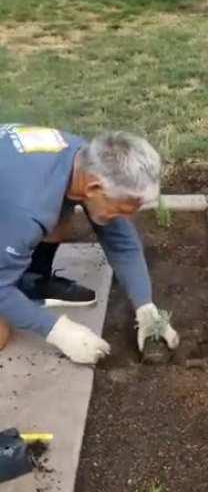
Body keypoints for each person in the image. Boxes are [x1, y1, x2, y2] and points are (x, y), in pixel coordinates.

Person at [0, 124, 179, 364]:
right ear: (94, 188)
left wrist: (145, 307)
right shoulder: (28, 210)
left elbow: (123, 244)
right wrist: (59, 331)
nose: (126, 221)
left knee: (58, 221)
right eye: (121, 212)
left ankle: (30, 279)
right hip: (16, 203)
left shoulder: (86, 159)